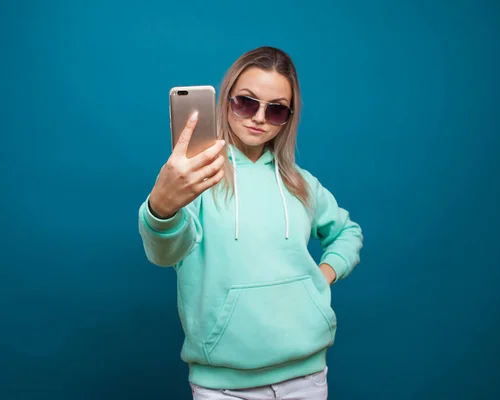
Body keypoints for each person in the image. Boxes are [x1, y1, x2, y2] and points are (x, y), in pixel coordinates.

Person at [137, 46, 363, 400]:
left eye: (275, 110)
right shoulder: (196, 179)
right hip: (224, 388)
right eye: (246, 102)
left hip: (308, 377)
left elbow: (347, 232)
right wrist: (160, 210)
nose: (259, 117)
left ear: (288, 117)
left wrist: (324, 275)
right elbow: (165, 253)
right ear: (226, 100)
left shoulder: (300, 182)